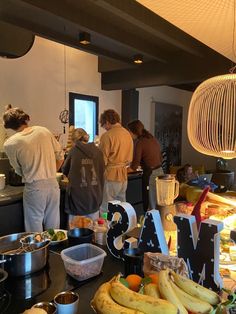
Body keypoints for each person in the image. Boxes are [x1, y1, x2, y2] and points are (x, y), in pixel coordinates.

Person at [3, 105, 64, 232]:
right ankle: (54, 250)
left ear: (10, 126)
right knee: (53, 224)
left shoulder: (10, 143)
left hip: (34, 187)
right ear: (25, 119)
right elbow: (60, 156)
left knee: (34, 225)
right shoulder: (43, 131)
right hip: (53, 184)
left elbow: (18, 170)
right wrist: (51, 172)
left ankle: (38, 251)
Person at [62, 128, 105, 223]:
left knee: (76, 232)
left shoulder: (74, 151)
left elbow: (65, 170)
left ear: (74, 141)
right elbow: (102, 170)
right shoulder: (98, 151)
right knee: (93, 230)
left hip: (78, 199)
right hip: (95, 196)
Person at [99, 109, 133, 213]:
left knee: (106, 208)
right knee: (122, 207)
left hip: (111, 176)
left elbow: (102, 160)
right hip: (123, 175)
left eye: (104, 125)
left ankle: (106, 228)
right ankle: (120, 228)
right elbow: (130, 159)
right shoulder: (127, 134)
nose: (104, 128)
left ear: (108, 122)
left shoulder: (107, 136)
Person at [127, 119, 164, 211]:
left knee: (150, 204)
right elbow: (160, 158)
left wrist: (123, 170)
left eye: (129, 131)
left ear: (132, 131)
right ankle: (157, 224)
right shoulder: (151, 138)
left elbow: (134, 166)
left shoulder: (140, 142)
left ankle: (150, 224)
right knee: (158, 203)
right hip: (160, 172)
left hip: (151, 175)